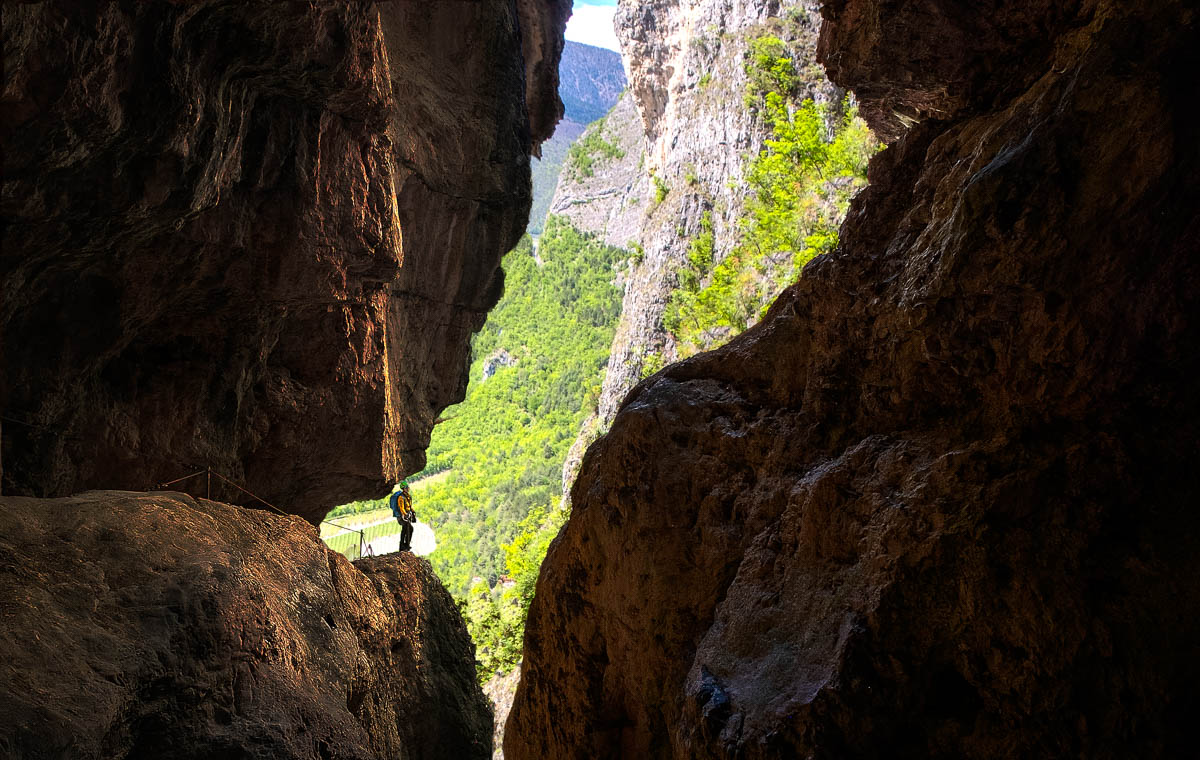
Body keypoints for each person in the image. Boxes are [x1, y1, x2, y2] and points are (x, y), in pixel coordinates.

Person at [389, 480, 415, 552]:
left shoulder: (407, 496)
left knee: (406, 529)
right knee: (408, 528)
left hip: (406, 515)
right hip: (401, 516)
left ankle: (405, 545)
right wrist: (405, 514)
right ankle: (404, 545)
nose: (408, 488)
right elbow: (401, 507)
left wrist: (413, 511)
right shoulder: (401, 497)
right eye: (407, 487)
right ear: (404, 488)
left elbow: (409, 506)